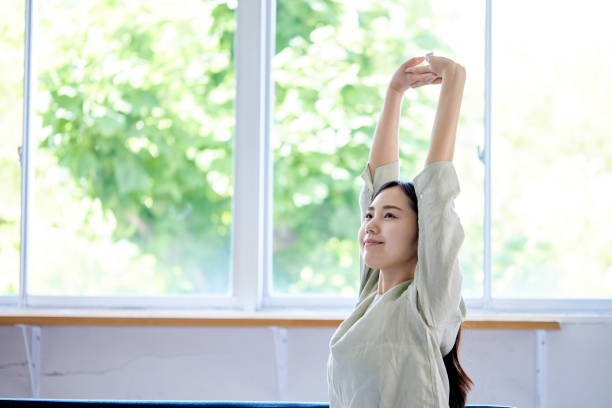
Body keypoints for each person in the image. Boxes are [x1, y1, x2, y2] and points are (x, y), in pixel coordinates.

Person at [327, 52, 473, 408]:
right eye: (369, 217)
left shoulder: (426, 304)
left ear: (422, 235)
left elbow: (437, 194)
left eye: (390, 216)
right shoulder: (368, 301)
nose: (371, 224)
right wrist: (394, 94)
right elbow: (376, 182)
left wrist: (453, 82)